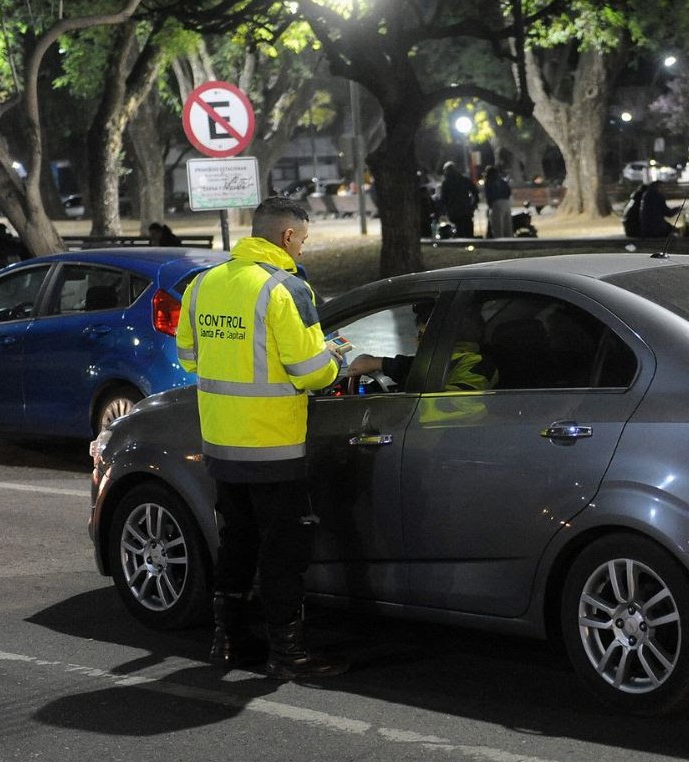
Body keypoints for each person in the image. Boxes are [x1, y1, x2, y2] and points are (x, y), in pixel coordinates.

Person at [176, 196, 348, 680]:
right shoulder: (284, 288)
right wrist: (338, 358)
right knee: (284, 550)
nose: (302, 251)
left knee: (238, 542)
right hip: (274, 446)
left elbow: (189, 358)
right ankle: (288, 654)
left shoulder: (204, 283)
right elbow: (312, 372)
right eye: (303, 241)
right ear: (288, 236)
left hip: (221, 444)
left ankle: (229, 641)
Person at [347, 304, 497, 392]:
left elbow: (441, 409)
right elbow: (416, 367)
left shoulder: (477, 367)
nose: (416, 342)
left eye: (422, 336)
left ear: (443, 339)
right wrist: (378, 363)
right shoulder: (454, 361)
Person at [439, 161, 479, 238]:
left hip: (454, 211)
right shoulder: (464, 179)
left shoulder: (446, 183)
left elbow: (443, 199)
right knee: (468, 230)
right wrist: (474, 204)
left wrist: (444, 210)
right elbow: (475, 191)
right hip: (466, 210)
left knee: (459, 231)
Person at [482, 165, 513, 238]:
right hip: (506, 203)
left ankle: (500, 244)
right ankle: (510, 242)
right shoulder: (502, 181)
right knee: (507, 227)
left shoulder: (489, 181)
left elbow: (488, 195)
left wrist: (490, 206)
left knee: (498, 228)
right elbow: (509, 191)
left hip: (496, 204)